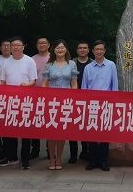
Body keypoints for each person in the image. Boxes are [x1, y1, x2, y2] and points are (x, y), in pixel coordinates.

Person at [0, 36, 37, 169]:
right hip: (10, 101)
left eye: (18, 45)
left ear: (23, 47)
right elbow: (3, 81)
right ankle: (12, 157)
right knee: (10, 130)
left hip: (26, 100)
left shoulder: (29, 61)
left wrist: (26, 85)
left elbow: (33, 81)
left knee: (25, 131)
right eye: (13, 45)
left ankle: (25, 159)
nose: (15, 47)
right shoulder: (6, 62)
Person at [82, 40, 118, 171]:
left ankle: (103, 160)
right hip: (92, 104)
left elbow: (114, 85)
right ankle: (92, 160)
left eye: (101, 49)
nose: (99, 51)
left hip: (106, 104)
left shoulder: (111, 65)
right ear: (93, 51)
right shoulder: (88, 67)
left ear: (105, 51)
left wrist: (114, 102)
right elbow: (84, 87)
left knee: (104, 133)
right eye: (96, 49)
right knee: (92, 132)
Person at [42, 39, 78, 170]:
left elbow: (74, 83)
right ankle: (51, 158)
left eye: (62, 47)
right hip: (51, 102)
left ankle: (59, 159)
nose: (60, 49)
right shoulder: (49, 65)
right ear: (54, 50)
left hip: (66, 102)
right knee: (51, 132)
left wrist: (74, 98)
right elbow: (44, 83)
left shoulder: (72, 64)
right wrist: (44, 98)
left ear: (66, 49)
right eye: (57, 47)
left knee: (62, 132)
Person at [69, 41, 92, 163]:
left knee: (85, 127)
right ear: (77, 50)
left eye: (85, 48)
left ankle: (85, 151)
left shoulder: (92, 63)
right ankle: (73, 154)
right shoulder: (71, 63)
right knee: (72, 128)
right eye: (80, 48)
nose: (82, 50)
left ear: (88, 50)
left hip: (88, 100)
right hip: (72, 99)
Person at [31, 37, 51, 159]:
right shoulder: (31, 59)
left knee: (49, 121)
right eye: (39, 43)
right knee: (35, 122)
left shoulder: (53, 57)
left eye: (44, 43)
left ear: (48, 45)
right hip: (35, 94)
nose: (42, 45)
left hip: (50, 94)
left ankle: (50, 149)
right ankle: (35, 148)